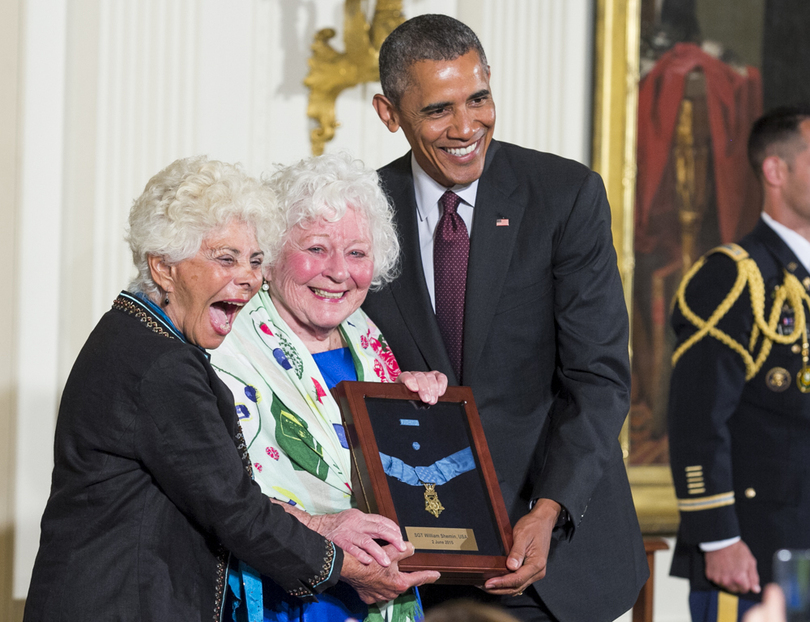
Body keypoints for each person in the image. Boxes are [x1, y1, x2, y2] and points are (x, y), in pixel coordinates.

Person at [23, 156, 428, 621]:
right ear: (163, 267)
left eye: (255, 260)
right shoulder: (161, 363)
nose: (248, 277)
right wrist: (347, 567)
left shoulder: (140, 335)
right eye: (225, 259)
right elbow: (236, 508)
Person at [362, 13, 648, 622]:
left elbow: (597, 379)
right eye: (439, 110)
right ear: (390, 113)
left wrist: (549, 510)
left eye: (479, 98)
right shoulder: (362, 213)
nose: (467, 127)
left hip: (553, 559)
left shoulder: (564, 195)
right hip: (416, 563)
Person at [211, 152, 445, 622]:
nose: (339, 271)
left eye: (357, 253)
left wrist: (413, 407)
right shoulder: (224, 341)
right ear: (271, 257)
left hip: (382, 591)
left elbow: (402, 480)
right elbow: (218, 493)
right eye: (317, 249)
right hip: (284, 593)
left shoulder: (369, 337)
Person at [667, 105, 810, 621]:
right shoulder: (733, 278)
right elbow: (698, 421)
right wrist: (718, 537)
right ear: (776, 171)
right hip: (752, 553)